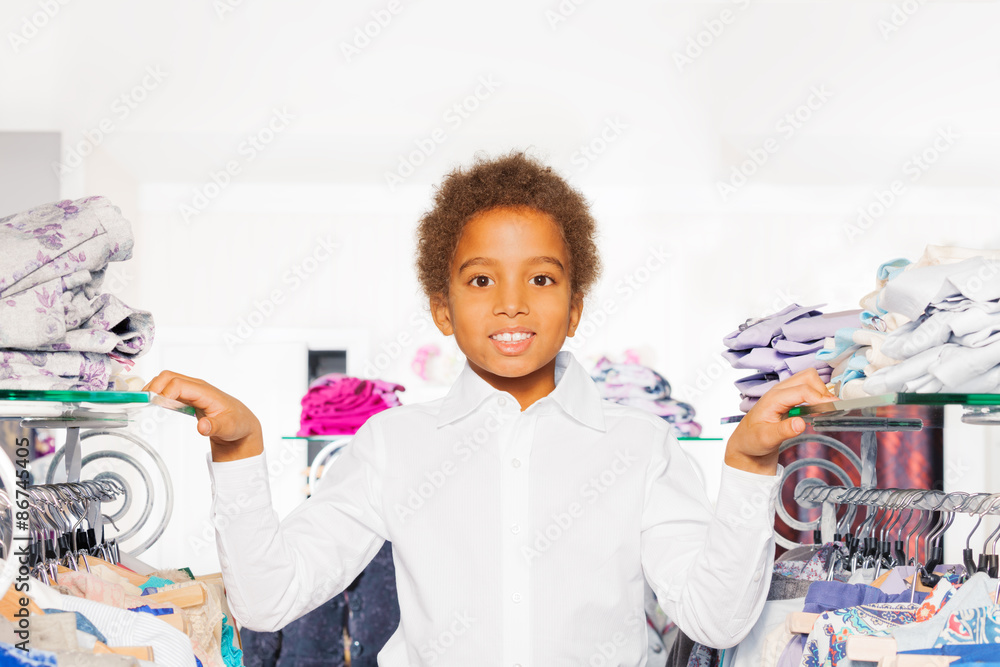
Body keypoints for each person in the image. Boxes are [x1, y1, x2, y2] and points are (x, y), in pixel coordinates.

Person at [145, 151, 834, 666]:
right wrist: (238, 448)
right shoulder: (394, 445)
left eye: (541, 277)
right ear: (443, 309)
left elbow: (714, 617)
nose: (511, 301)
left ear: (574, 309)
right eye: (481, 279)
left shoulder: (640, 447)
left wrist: (748, 460)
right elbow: (269, 599)